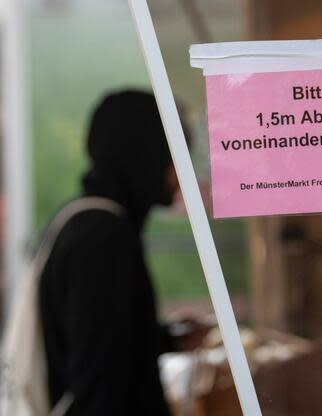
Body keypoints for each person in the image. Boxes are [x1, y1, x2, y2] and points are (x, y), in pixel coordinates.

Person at [39, 91, 203, 415]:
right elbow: (98, 380)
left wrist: (168, 340)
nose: (178, 174)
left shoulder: (88, 222)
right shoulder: (103, 239)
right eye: (173, 156)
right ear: (144, 155)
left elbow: (107, 341)